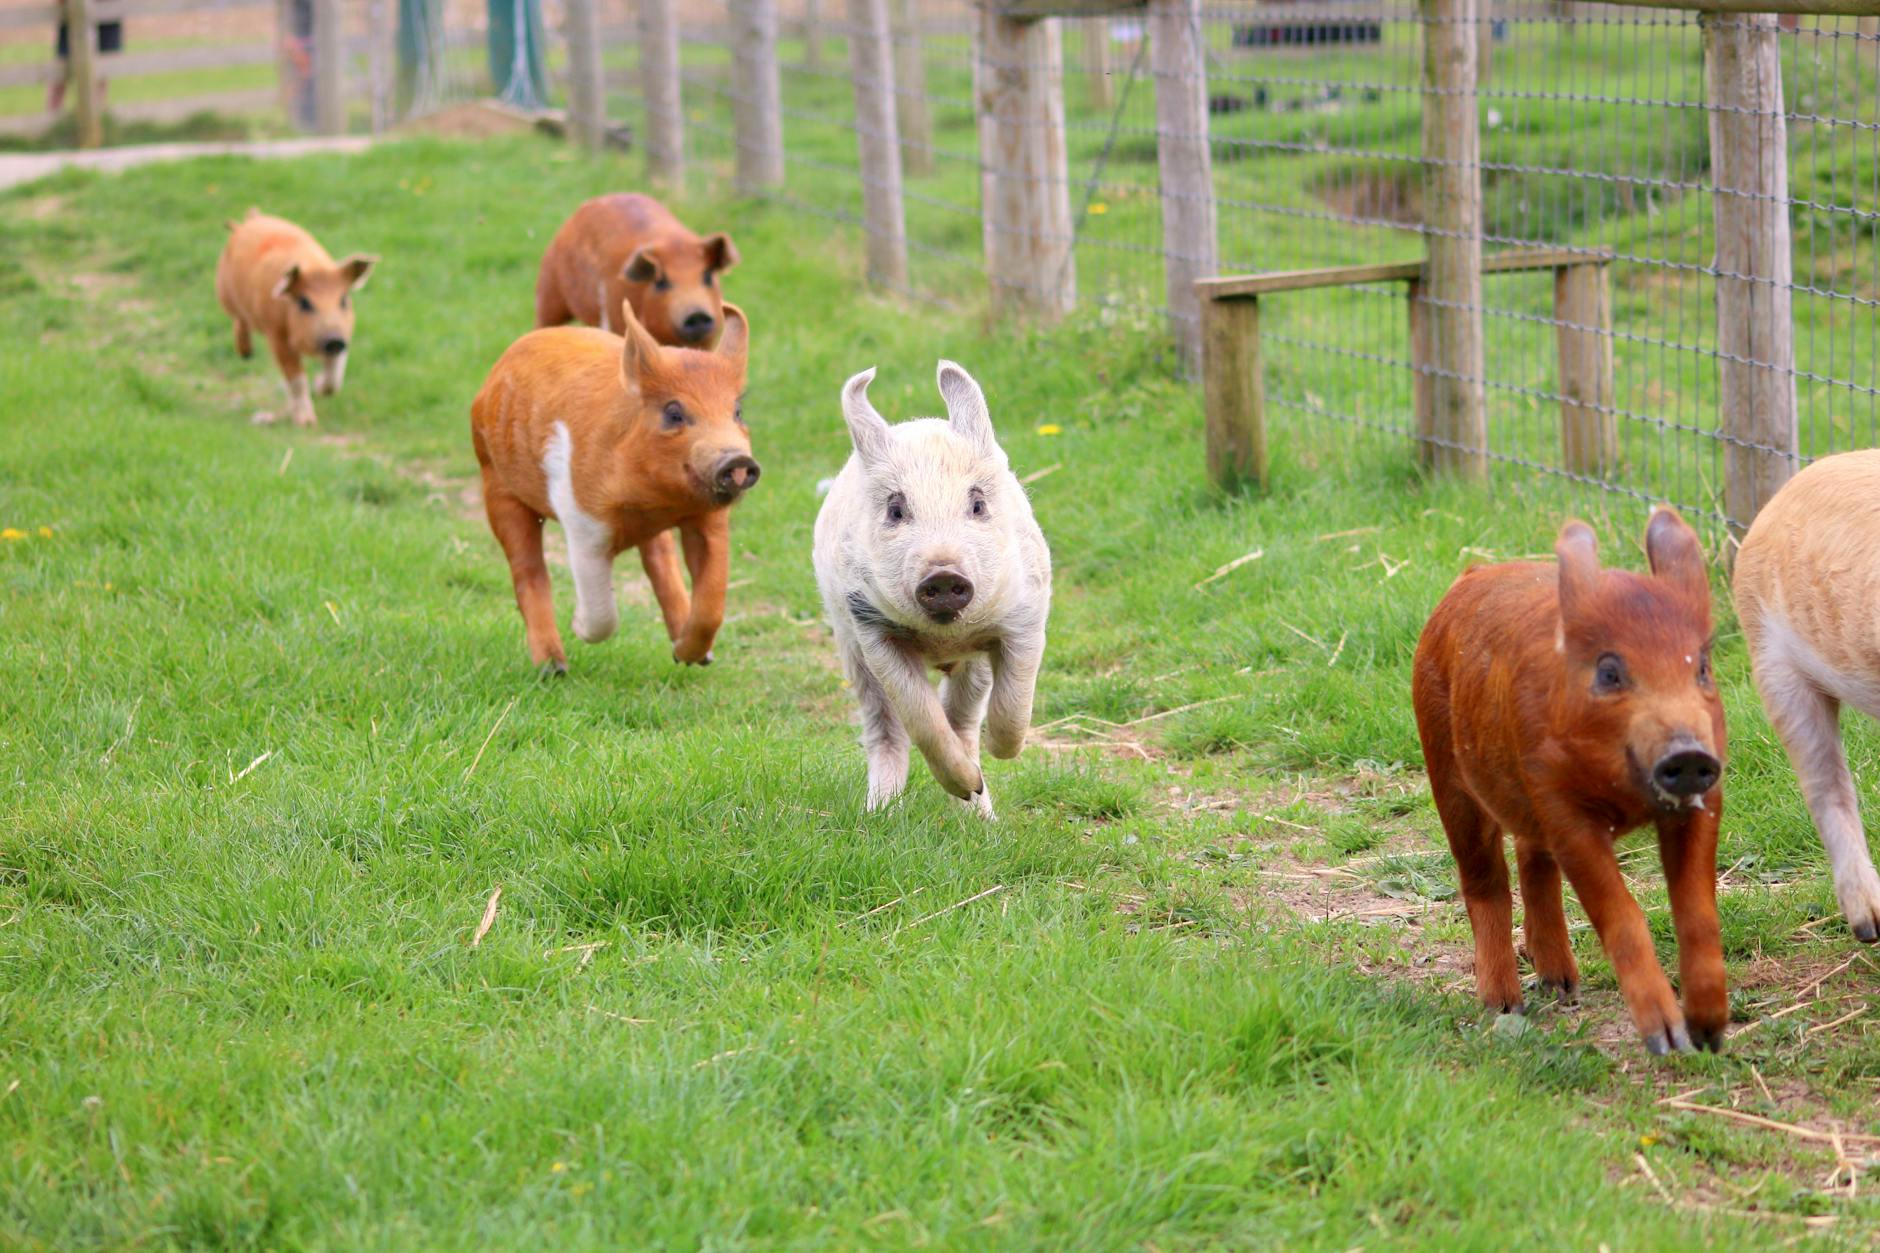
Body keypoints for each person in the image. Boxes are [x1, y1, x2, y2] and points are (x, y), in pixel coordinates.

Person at [48, 17, 122, 113]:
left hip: (107, 17)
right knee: (61, 72)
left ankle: (96, 115)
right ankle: (52, 117)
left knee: (101, 73)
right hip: (75, 19)